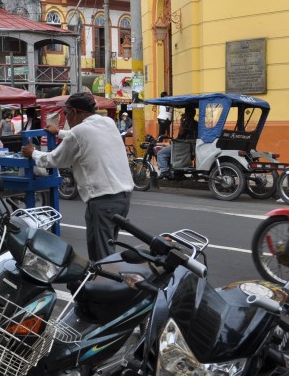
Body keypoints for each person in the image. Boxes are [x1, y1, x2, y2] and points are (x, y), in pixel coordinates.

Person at [22, 91, 133, 261]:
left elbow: (55, 159)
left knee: (104, 257)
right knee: (102, 251)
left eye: (66, 113)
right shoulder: (107, 123)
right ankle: (101, 276)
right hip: (122, 197)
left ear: (74, 112)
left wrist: (33, 153)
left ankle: (108, 277)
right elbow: (83, 137)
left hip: (104, 201)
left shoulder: (79, 131)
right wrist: (59, 132)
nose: (65, 117)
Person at [156, 107, 199, 175]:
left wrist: (181, 121)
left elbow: (180, 135)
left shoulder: (185, 123)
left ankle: (165, 171)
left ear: (186, 114)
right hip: (192, 147)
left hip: (182, 147)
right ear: (194, 114)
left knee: (161, 153)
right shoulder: (196, 124)